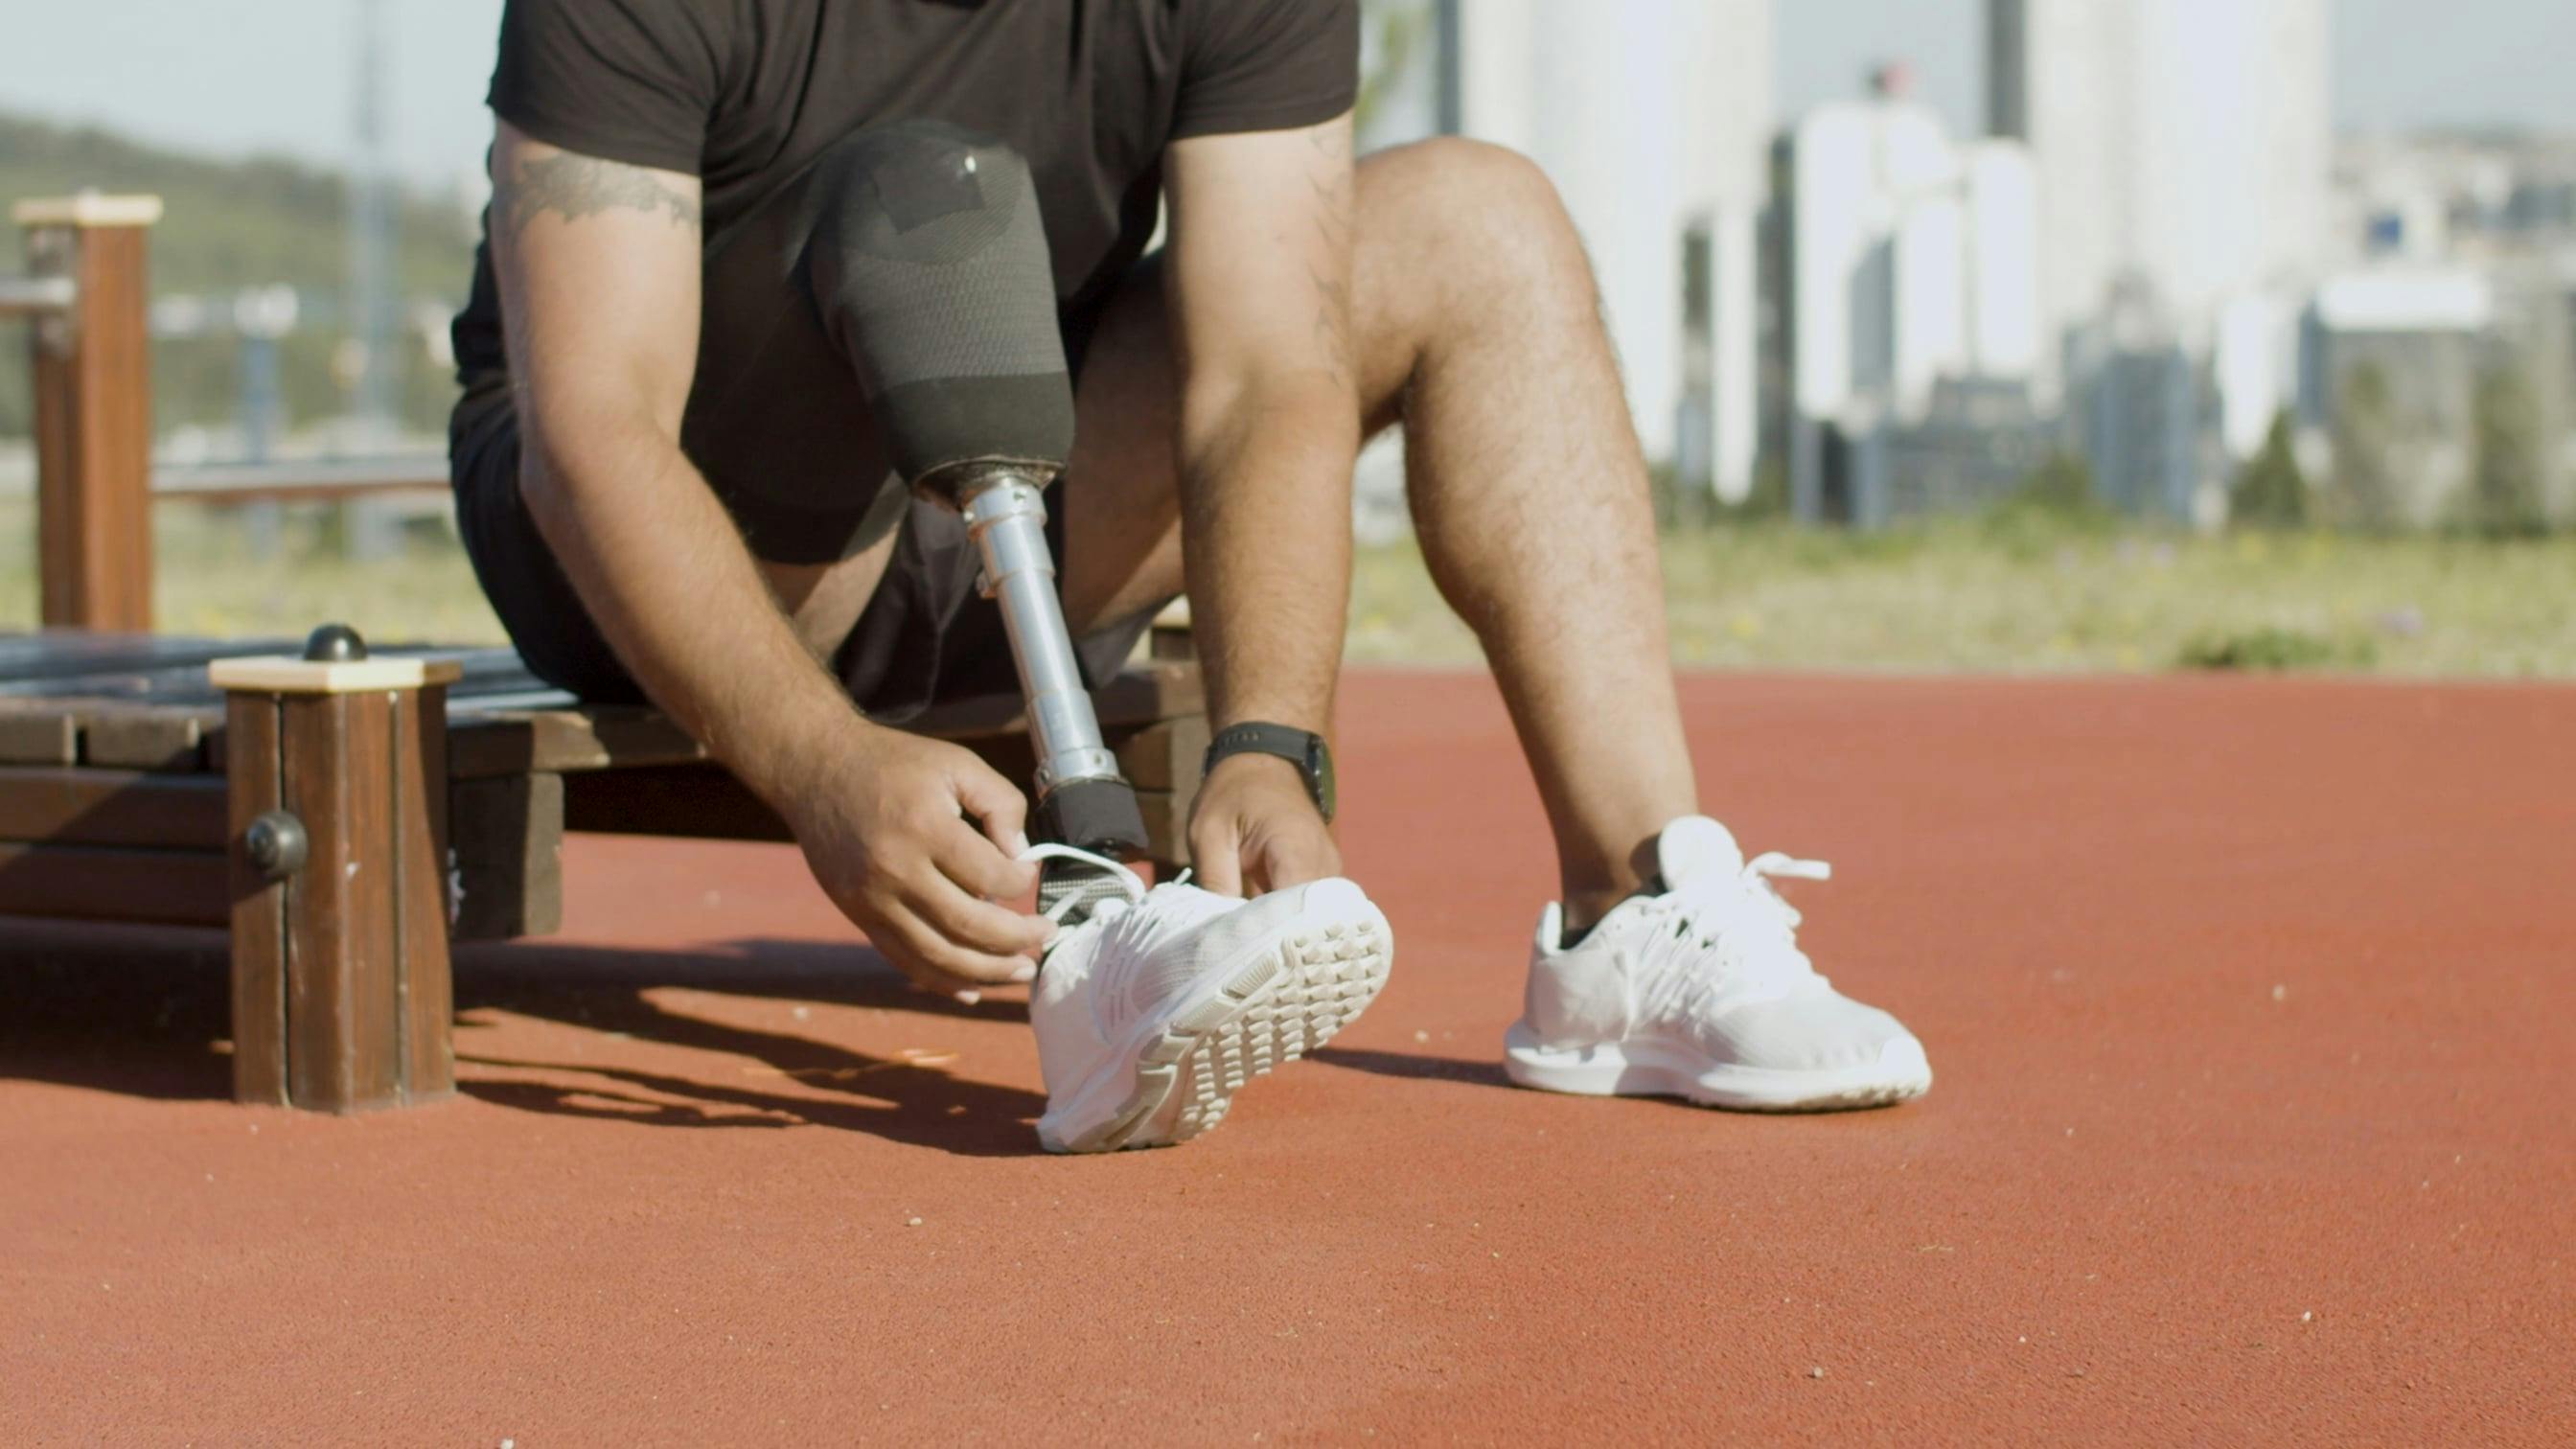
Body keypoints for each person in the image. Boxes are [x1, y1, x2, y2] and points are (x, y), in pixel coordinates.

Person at [450, 0, 1930, 1153]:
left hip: (1015, 499)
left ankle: (1632, 911)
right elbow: (591, 432)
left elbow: (1269, 368)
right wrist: (820, 763)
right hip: (678, 544)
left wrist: (1272, 739)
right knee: (911, 185)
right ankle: (1100, 920)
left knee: (1483, 224)